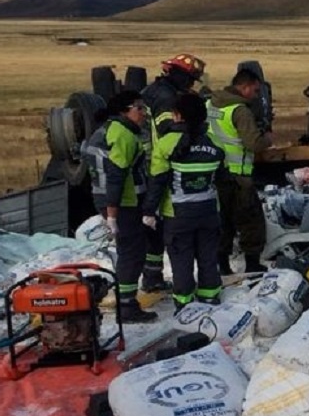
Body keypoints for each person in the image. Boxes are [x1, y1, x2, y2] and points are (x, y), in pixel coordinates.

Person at [143, 93, 226, 312]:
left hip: (178, 215)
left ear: (177, 116)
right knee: (208, 256)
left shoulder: (166, 144)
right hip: (208, 211)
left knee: (181, 260)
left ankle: (184, 303)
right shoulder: (214, 142)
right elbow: (223, 179)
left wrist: (149, 211)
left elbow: (157, 182)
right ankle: (210, 297)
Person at [80, 90, 157, 322]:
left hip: (117, 202)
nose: (143, 113)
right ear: (124, 110)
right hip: (123, 204)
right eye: (138, 108)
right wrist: (112, 215)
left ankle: (129, 299)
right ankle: (126, 305)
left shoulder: (111, 130)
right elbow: (116, 177)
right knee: (131, 253)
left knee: (133, 249)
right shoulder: (123, 136)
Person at [139, 53, 206, 292]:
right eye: (189, 79)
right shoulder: (167, 98)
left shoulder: (156, 91)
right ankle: (152, 277)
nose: (190, 85)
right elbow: (171, 130)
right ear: (178, 75)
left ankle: (152, 275)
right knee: (161, 223)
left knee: (155, 224)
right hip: (158, 164)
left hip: (150, 161)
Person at [207, 67, 270, 276]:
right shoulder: (240, 111)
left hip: (215, 172)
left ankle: (221, 264)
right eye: (255, 91)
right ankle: (252, 263)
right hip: (238, 176)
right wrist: (267, 138)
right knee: (251, 221)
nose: (256, 95)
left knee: (223, 221)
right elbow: (254, 143)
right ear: (244, 87)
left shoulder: (211, 104)